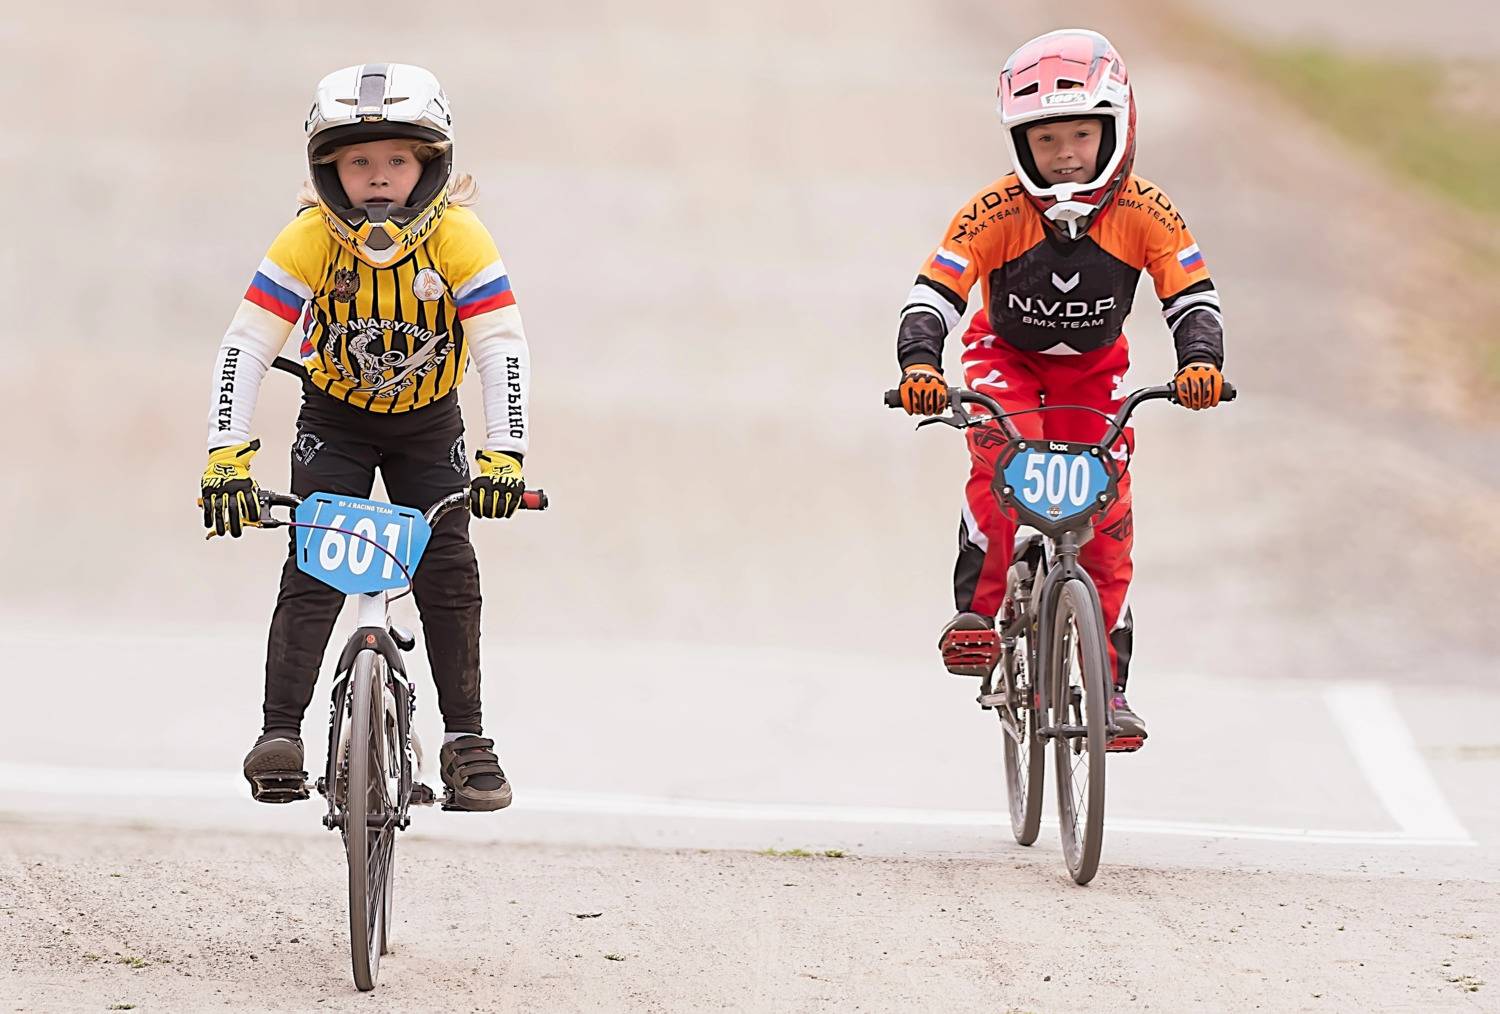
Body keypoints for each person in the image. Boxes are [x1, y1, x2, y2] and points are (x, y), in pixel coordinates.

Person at [200, 63, 532, 809]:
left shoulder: (460, 238)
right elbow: (245, 345)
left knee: (448, 570)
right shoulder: (309, 239)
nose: (378, 177)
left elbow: (501, 348)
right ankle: (280, 735)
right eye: (358, 162)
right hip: (335, 420)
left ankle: (466, 741)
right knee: (314, 566)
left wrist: (505, 455)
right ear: (329, 171)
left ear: (431, 166)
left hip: (429, 425)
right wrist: (226, 455)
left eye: (397, 160)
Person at [894, 29, 1227, 749]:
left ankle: (1110, 690)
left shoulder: (1147, 211)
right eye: (1046, 140)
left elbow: (1192, 296)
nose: (1066, 153)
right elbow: (934, 293)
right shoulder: (993, 210)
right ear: (1020, 145)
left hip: (1095, 374)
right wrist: (920, 366)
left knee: (1107, 518)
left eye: (1081, 134)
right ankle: (978, 617)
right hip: (1003, 360)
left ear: (1118, 128)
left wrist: (1201, 363)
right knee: (1004, 460)